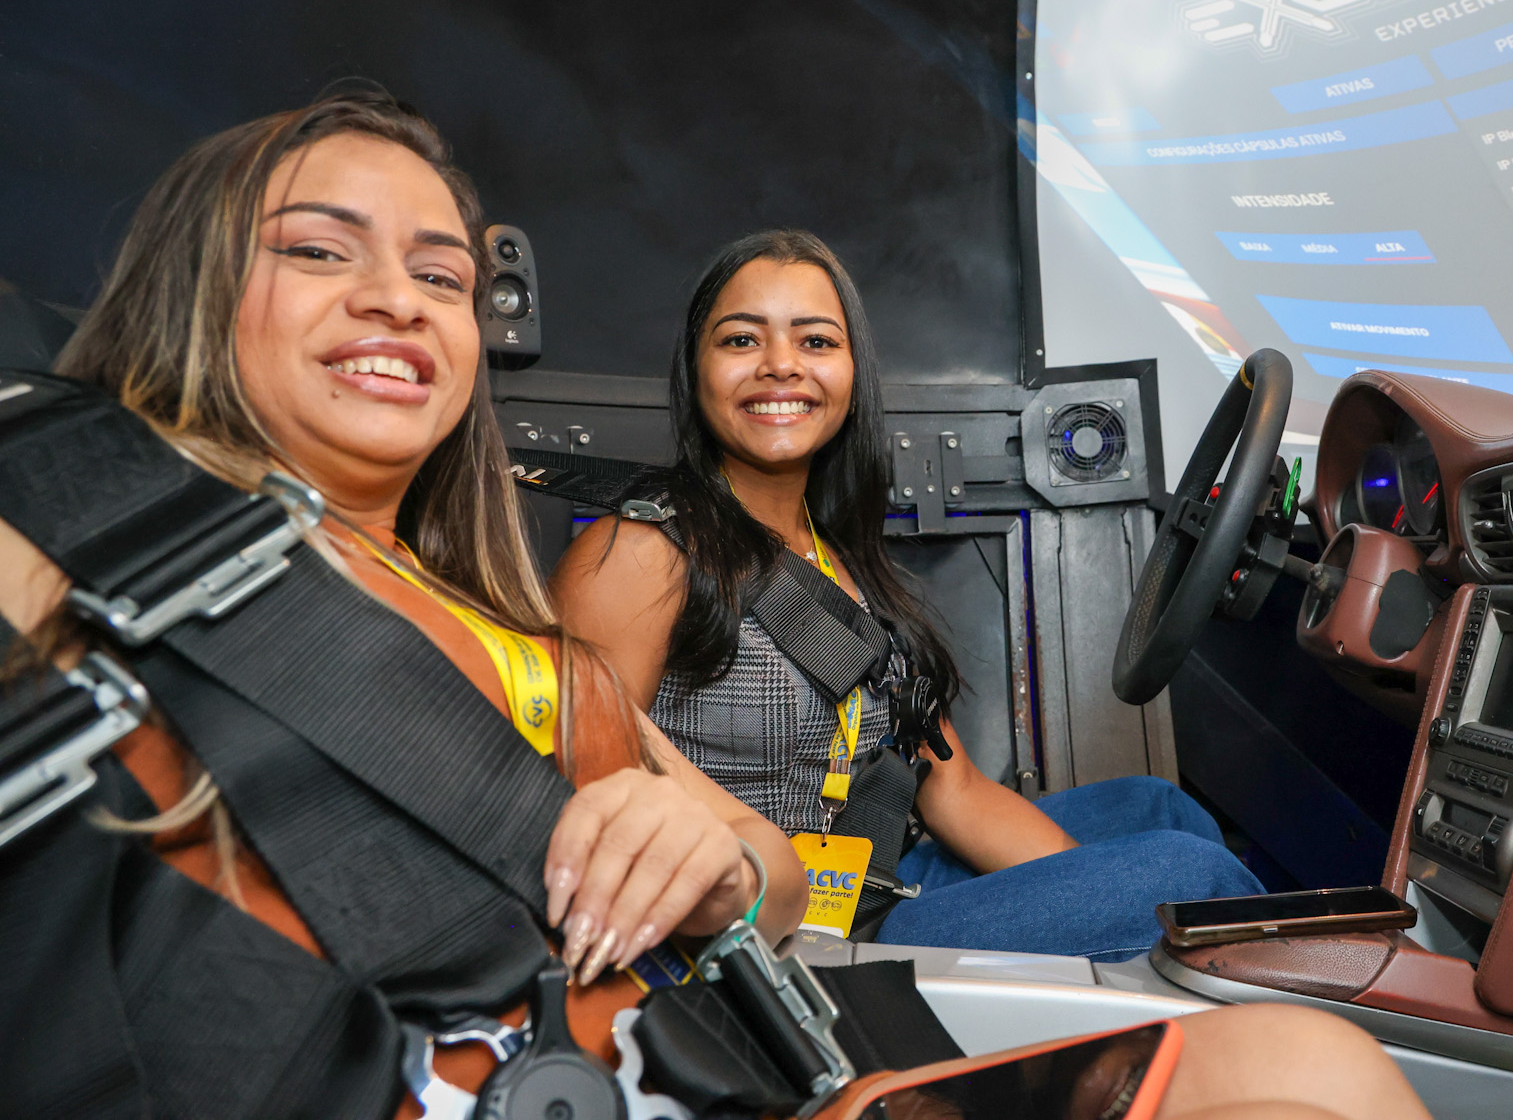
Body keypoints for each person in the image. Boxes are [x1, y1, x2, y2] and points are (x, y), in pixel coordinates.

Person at [0, 91, 1427, 1120]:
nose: (395, 298)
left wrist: (724, 850)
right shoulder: (84, 520)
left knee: (1250, 964)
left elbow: (850, 821)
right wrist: (1066, 918)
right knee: (1196, 892)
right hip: (728, 998)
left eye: (439, 273)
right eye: (319, 250)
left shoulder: (515, 623)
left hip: (738, 1016)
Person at [552, 229, 1266, 962]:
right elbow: (585, 779)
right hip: (790, 939)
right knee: (1194, 874)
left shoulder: (840, 561)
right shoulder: (639, 552)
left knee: (1161, 808)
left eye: (816, 342)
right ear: (696, 368)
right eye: (741, 340)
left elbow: (954, 792)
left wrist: (1082, 883)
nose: (780, 366)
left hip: (877, 877)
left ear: (853, 372)